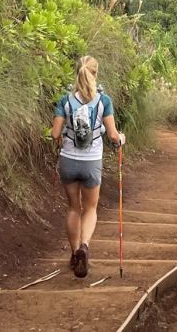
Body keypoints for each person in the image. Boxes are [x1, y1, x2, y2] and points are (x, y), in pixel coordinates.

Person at [51, 55, 125, 278]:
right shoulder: (104, 101)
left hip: (68, 160)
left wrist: (61, 139)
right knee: (91, 208)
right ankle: (84, 245)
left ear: (77, 73)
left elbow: (55, 133)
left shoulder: (65, 100)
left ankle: (75, 255)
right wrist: (121, 138)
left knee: (74, 208)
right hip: (92, 162)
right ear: (95, 74)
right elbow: (112, 135)